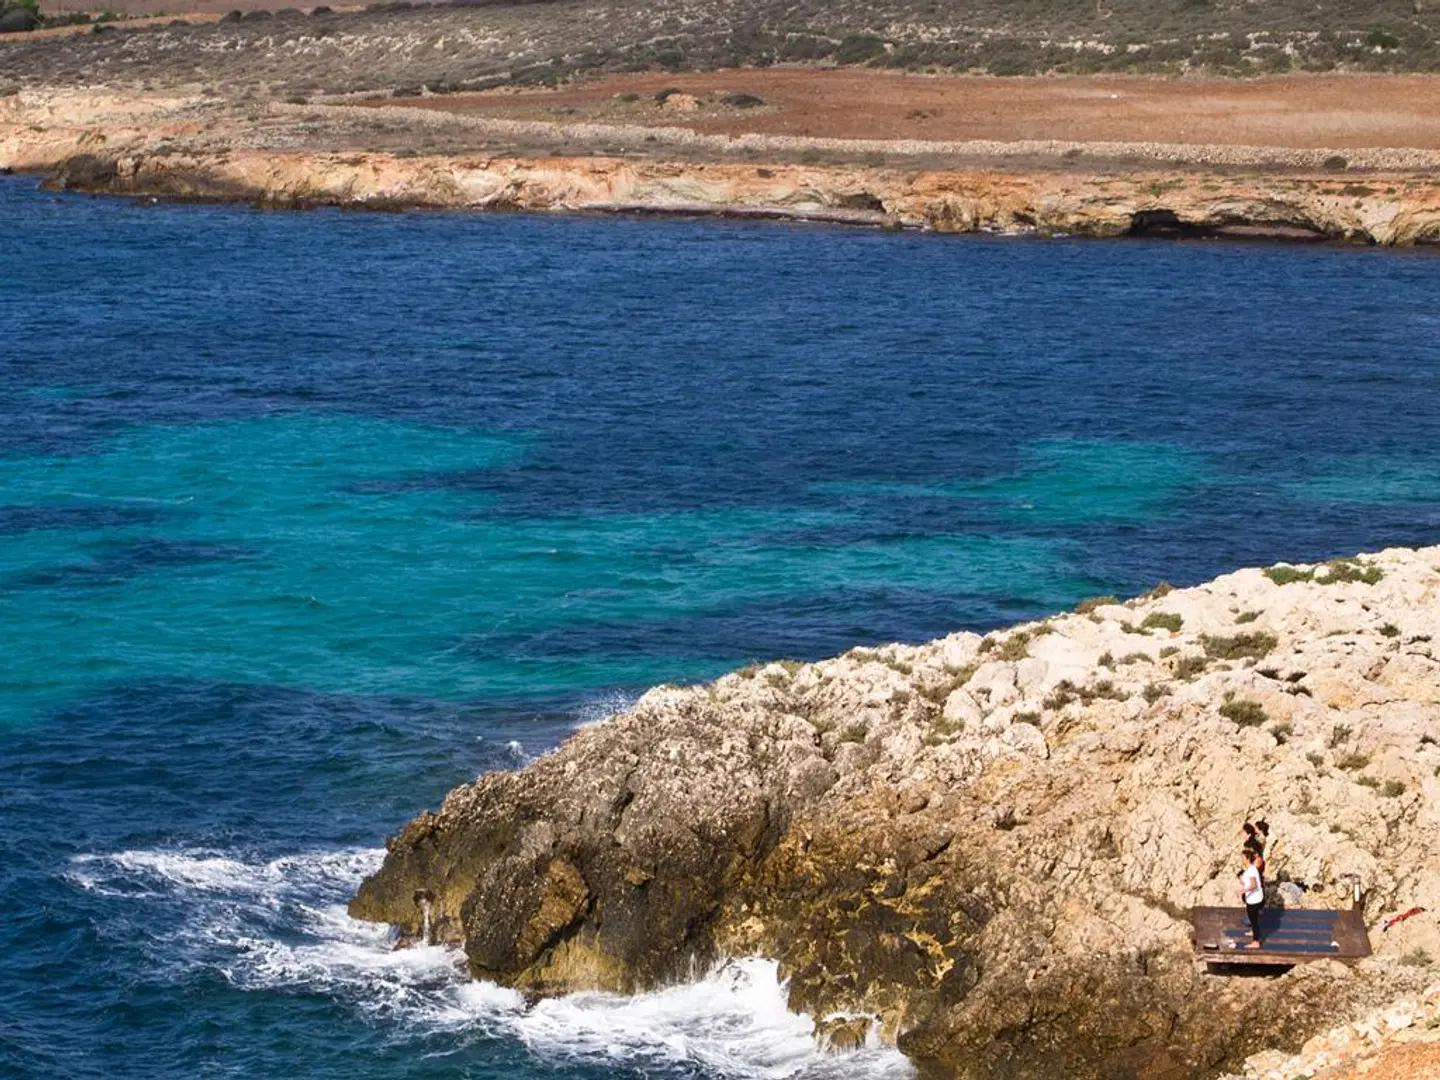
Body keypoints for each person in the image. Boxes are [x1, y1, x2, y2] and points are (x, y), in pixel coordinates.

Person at [1240, 848, 1265, 948]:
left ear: (1247, 859)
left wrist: (1242, 891)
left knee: (1253, 921)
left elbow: (1253, 885)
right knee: (1254, 919)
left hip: (1254, 899)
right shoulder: (1252, 868)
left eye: (1242, 857)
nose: (1241, 859)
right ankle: (1255, 934)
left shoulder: (1251, 870)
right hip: (1254, 898)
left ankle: (1256, 942)